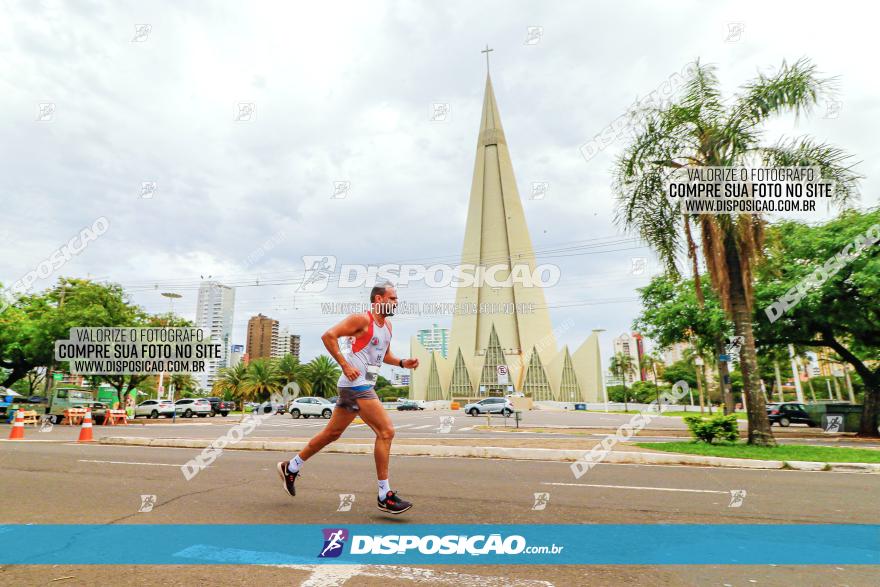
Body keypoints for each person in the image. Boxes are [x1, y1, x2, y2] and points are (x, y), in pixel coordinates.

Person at [276, 283, 419, 514]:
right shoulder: (362, 320)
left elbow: (385, 355)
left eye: (396, 298)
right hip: (356, 384)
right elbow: (328, 336)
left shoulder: (388, 327)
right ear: (379, 299)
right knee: (386, 431)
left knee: (331, 434)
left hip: (356, 385)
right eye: (392, 298)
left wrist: (403, 363)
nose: (396, 302)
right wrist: (344, 364)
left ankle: (291, 467)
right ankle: (385, 494)